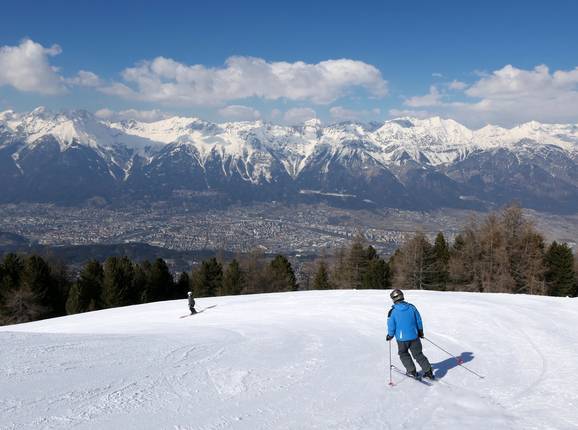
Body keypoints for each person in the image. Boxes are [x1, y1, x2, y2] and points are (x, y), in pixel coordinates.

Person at [386, 289, 434, 380]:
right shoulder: (412, 307)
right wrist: (420, 331)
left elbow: (391, 325)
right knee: (418, 354)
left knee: (403, 353)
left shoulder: (392, 311)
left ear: (393, 299)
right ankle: (428, 371)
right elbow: (418, 320)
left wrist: (390, 335)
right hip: (414, 336)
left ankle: (412, 371)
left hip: (402, 339)